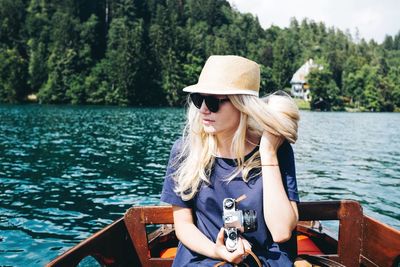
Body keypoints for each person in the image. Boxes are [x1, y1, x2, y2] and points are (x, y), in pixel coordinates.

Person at [161, 55, 300, 266]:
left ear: (242, 105)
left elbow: (281, 232)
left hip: (263, 259)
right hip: (205, 257)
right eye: (199, 99)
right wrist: (217, 251)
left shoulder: (277, 150)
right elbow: (183, 226)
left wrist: (268, 152)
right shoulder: (185, 151)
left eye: (213, 102)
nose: (203, 109)